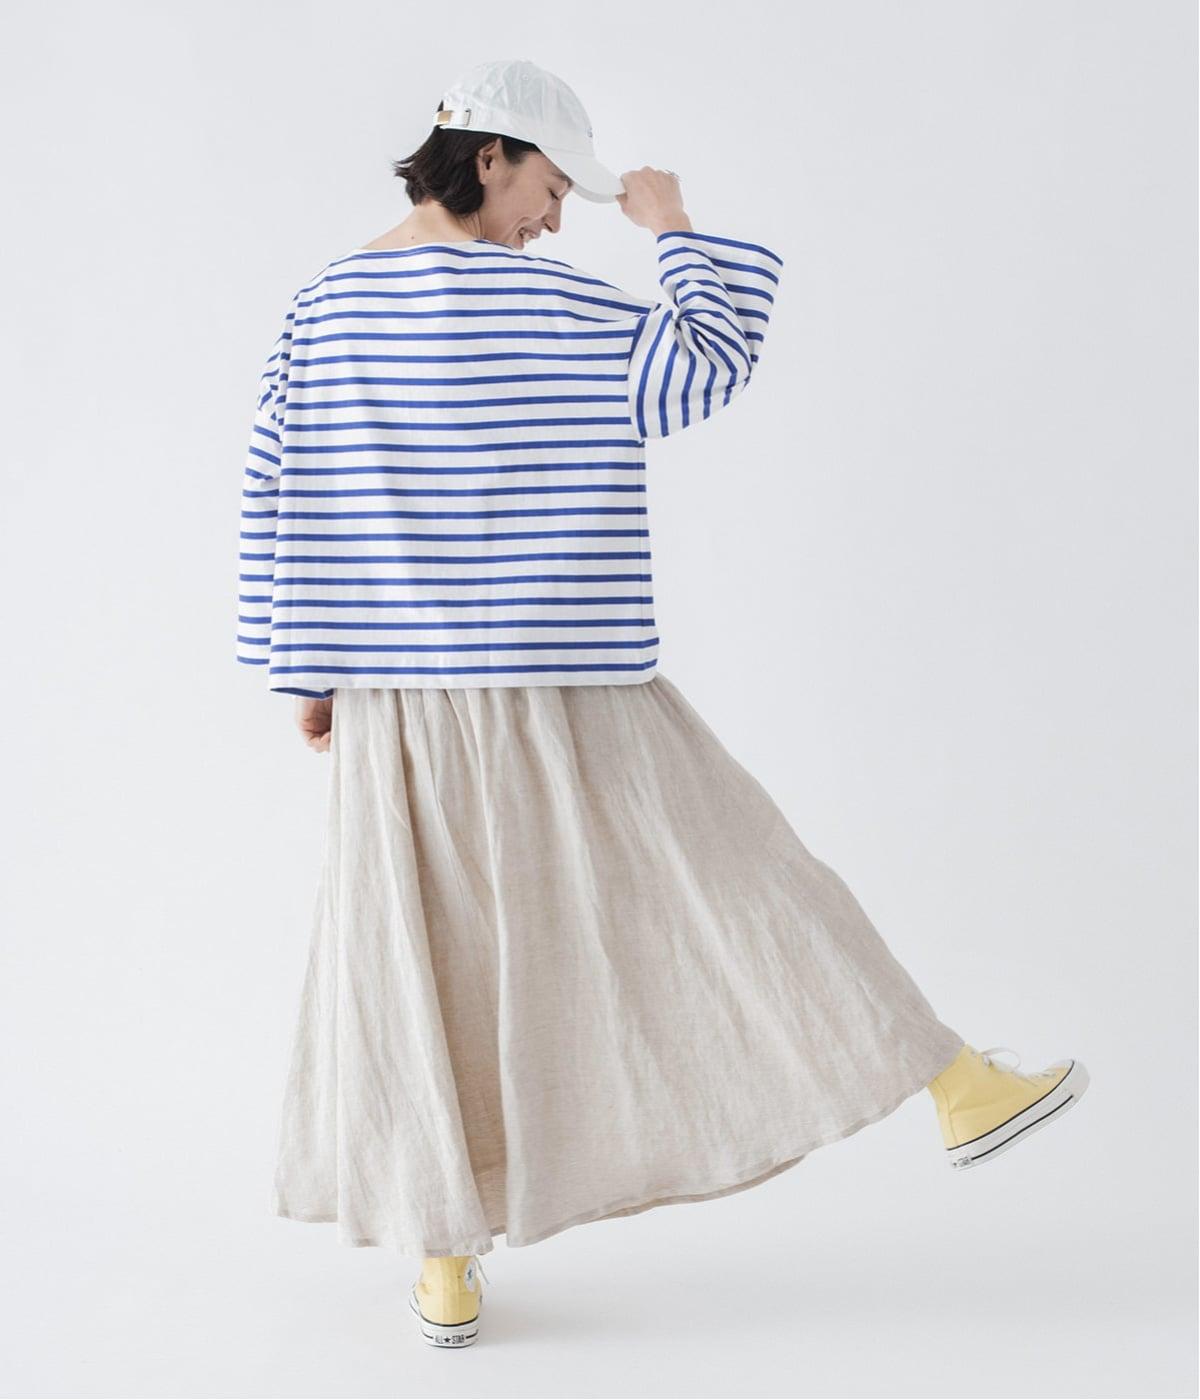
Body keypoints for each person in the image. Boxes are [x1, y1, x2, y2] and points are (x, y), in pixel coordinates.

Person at [235, 58, 1090, 1349]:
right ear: (489, 157)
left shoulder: (322, 308)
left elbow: (276, 491)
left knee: (410, 954)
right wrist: (671, 224)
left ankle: (444, 1263)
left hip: (397, 691)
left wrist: (302, 673)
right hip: (567, 677)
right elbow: (707, 362)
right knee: (743, 878)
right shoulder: (555, 308)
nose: (555, 217)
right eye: (550, 186)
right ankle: (958, 1087)